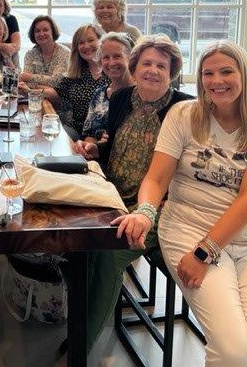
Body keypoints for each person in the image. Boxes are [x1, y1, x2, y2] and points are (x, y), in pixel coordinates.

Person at [114, 40, 247, 367]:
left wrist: (207, 250)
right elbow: (157, 178)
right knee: (234, 351)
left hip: (237, 239)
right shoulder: (185, 114)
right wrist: (146, 212)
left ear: (243, 74)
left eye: (226, 71)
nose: (216, 80)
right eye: (208, 73)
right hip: (188, 230)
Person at [73, 34, 191, 353]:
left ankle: (81, 345)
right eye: (146, 63)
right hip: (112, 194)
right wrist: (95, 149)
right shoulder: (123, 97)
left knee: (110, 253)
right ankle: (78, 311)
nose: (153, 70)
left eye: (161, 66)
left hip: (156, 208)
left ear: (172, 73)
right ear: (135, 68)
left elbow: (187, 169)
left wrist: (156, 205)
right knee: (76, 238)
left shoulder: (184, 109)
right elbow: (114, 143)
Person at [41, 24, 108, 140]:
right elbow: (57, 93)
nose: (86, 46)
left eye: (91, 40)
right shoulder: (75, 73)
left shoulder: (112, 71)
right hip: (76, 131)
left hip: (103, 136)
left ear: (101, 41)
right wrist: (29, 90)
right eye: (81, 43)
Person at [77, 32, 134, 144]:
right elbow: (89, 135)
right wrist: (89, 146)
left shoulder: (140, 94)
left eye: (117, 56)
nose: (111, 63)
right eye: (106, 58)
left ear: (130, 58)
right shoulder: (99, 94)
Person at [18, 15, 69, 89]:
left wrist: (31, 77)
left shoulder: (65, 53)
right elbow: (25, 82)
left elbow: (56, 82)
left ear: (53, 31)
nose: (41, 34)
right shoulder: (30, 54)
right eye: (37, 31)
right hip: (33, 95)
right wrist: (49, 88)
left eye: (45, 30)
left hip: (59, 96)